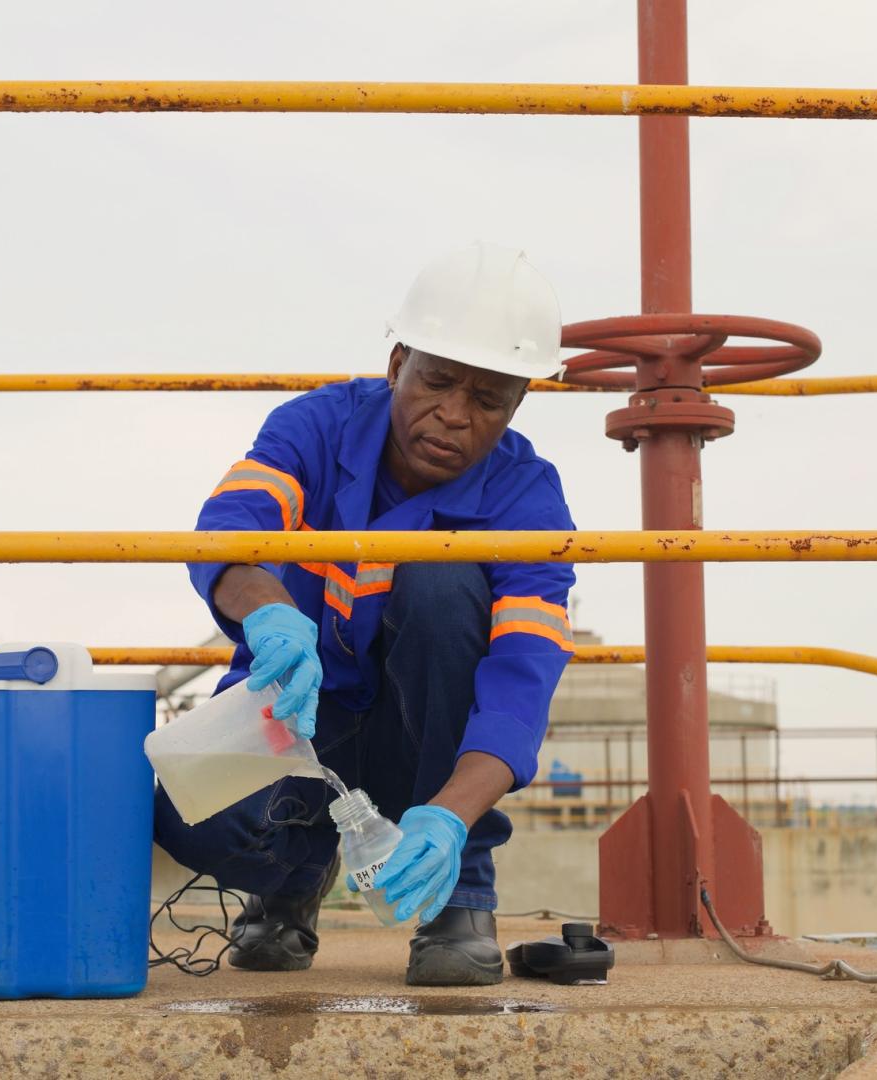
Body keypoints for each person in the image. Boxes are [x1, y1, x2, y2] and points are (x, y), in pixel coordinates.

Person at [156, 241, 576, 986]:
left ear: (518, 405)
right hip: (300, 718)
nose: (452, 416)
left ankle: (461, 896)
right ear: (395, 365)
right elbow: (230, 527)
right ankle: (289, 884)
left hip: (425, 750)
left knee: (442, 584)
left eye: (487, 400)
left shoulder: (527, 499)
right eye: (438, 383)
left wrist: (451, 817)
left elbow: (521, 680)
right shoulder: (315, 428)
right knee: (178, 809)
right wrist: (270, 614)